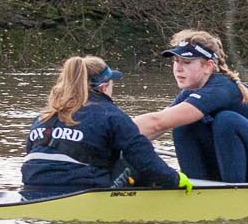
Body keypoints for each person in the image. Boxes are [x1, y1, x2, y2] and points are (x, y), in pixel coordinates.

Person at [134, 29, 248, 185]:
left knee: (226, 120)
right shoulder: (190, 94)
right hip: (245, 167)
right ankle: (198, 189)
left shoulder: (223, 88)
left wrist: (113, 129)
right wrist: (117, 143)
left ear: (208, 66)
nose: (178, 68)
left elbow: (157, 122)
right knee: (180, 123)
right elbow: (157, 127)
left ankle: (231, 194)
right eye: (176, 61)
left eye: (186, 62)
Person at [22, 56, 189, 199]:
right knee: (130, 160)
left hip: (33, 186)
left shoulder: (44, 116)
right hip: (78, 189)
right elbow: (145, 159)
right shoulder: (111, 115)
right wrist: (174, 179)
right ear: (104, 86)